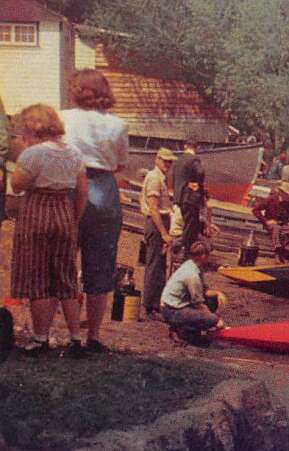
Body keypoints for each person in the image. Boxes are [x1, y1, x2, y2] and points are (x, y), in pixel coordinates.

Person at [10, 104, 88, 357]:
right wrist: (73, 221)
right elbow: (83, 192)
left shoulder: (33, 154)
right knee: (66, 278)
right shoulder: (74, 153)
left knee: (39, 278)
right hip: (64, 211)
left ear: (32, 127)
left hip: (37, 213)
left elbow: (17, 185)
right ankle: (76, 338)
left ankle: (40, 338)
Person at [62, 69, 129, 354]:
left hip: (67, 185)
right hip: (102, 187)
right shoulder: (118, 124)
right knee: (100, 265)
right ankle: (95, 335)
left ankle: (72, 334)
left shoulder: (62, 117)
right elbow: (121, 164)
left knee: (64, 263)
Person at [160, 241, 226, 346]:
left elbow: (205, 291)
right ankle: (180, 330)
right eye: (208, 255)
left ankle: (191, 330)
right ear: (203, 256)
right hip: (172, 310)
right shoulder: (191, 274)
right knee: (211, 319)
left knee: (213, 301)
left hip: (179, 305)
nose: (210, 257)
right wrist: (215, 320)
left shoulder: (194, 266)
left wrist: (218, 293)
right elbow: (198, 303)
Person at [140, 147, 177, 320]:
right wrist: (163, 233)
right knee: (154, 265)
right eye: (165, 160)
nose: (168, 164)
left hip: (160, 223)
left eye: (170, 161)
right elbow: (153, 208)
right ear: (157, 159)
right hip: (156, 224)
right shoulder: (154, 178)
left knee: (159, 265)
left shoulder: (160, 178)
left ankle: (154, 304)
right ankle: (150, 306)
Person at [253, 180, 289, 262]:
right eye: (287, 194)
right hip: (271, 224)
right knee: (276, 228)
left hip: (282, 225)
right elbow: (255, 210)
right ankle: (277, 252)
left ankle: (284, 251)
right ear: (281, 192)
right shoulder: (271, 199)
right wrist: (266, 221)